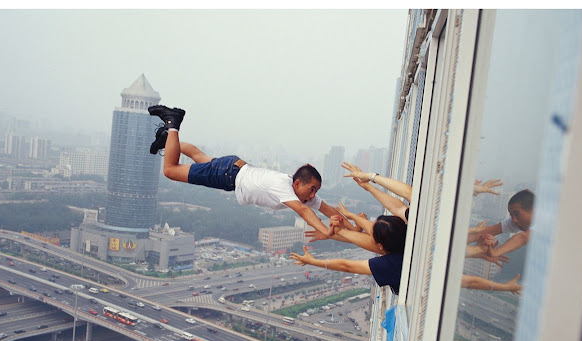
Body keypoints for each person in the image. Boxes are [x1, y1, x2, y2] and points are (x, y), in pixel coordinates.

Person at [147, 104, 353, 236]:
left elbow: (328, 209)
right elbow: (304, 211)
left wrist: (356, 228)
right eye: (312, 189)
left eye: (316, 191)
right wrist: (326, 231)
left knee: (199, 157)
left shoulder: (302, 195)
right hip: (228, 175)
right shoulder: (284, 187)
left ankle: (166, 140)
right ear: (297, 183)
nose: (314, 195)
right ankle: (172, 123)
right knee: (171, 171)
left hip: (233, 167)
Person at [291, 215, 407, 294]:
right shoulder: (405, 239)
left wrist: (313, 261)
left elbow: (346, 266)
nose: (367, 233)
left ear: (380, 246)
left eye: (371, 235)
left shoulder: (389, 264)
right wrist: (343, 227)